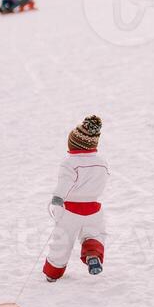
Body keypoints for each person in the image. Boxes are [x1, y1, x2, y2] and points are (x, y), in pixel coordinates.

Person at [43, 115, 110, 282]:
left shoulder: (70, 163)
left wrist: (58, 197)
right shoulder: (102, 162)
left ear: (73, 143)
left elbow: (65, 182)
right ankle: (93, 255)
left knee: (62, 241)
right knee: (94, 234)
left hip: (71, 210)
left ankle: (53, 272)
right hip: (94, 209)